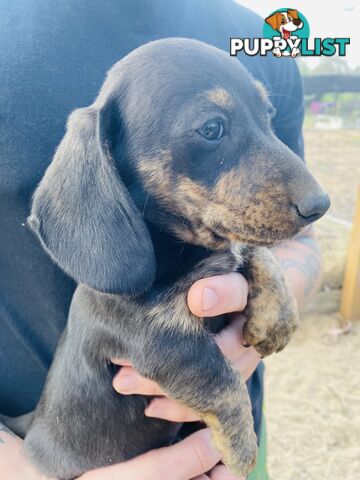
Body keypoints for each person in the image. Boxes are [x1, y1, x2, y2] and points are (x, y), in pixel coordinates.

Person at [0, 1, 323, 478]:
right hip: (51, 456)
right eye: (212, 129)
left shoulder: (263, 34)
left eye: (263, 113)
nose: (311, 192)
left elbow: (301, 231)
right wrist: (20, 466)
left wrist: (266, 310)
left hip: (230, 451)